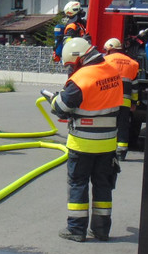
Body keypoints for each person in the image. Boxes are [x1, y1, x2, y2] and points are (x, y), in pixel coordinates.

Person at [49, 36, 123, 242]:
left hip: (82, 144)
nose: (71, 69)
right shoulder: (113, 72)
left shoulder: (81, 79)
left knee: (78, 185)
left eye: (71, 64)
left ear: (78, 58)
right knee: (103, 186)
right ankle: (101, 230)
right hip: (108, 144)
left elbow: (61, 108)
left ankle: (76, 229)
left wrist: (53, 98)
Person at [103, 37, 140, 160]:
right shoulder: (132, 63)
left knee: (108, 124)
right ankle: (121, 152)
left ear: (110, 49)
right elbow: (135, 86)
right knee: (123, 125)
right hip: (125, 101)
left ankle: (107, 150)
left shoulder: (105, 61)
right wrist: (134, 102)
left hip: (109, 100)